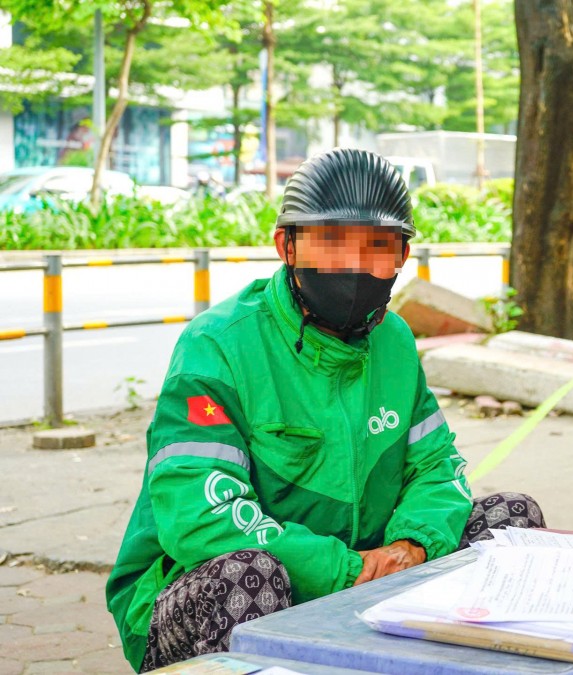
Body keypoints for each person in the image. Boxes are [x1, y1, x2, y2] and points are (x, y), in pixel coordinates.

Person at [106, 149, 544, 672]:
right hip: (214, 590)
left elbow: (436, 468)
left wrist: (410, 546)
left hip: (371, 572)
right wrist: (346, 569)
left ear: (404, 256)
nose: (355, 267)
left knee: (510, 520)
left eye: (378, 247)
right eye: (331, 243)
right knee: (247, 575)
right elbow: (201, 519)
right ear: (285, 247)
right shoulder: (217, 346)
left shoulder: (395, 341)